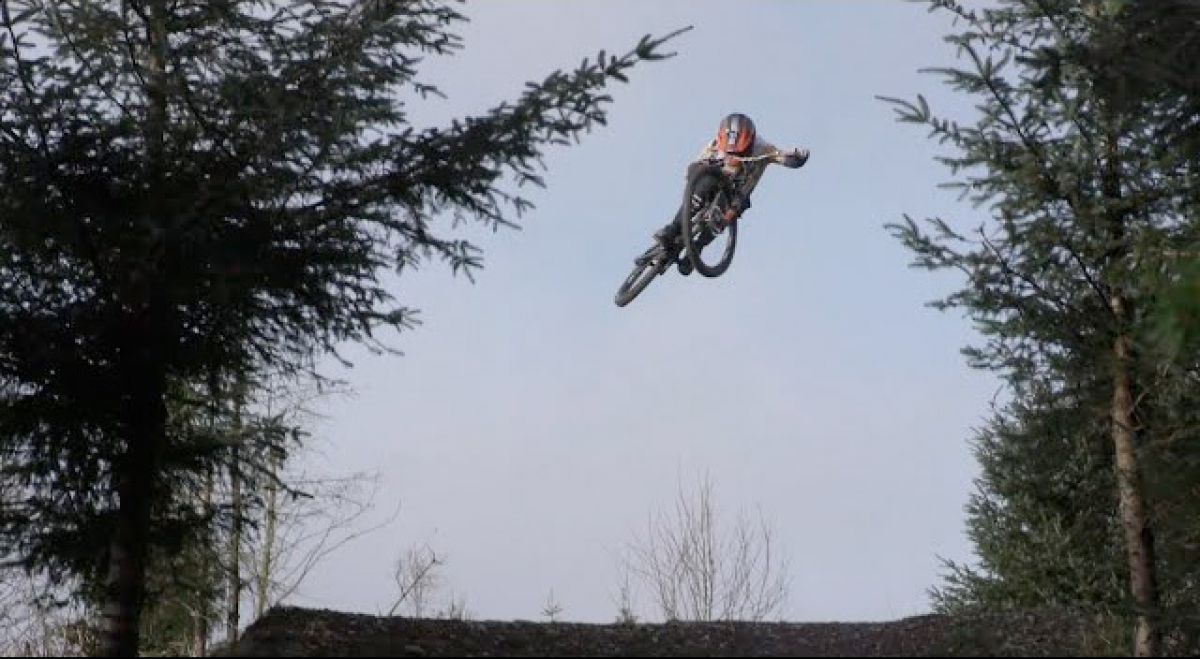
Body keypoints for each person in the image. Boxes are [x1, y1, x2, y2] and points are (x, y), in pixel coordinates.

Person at [655, 113, 809, 274]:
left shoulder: (764, 148)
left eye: (741, 154)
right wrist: (700, 175)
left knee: (729, 212)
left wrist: (797, 158)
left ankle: (697, 248)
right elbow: (692, 171)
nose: (735, 157)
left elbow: (785, 158)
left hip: (738, 189)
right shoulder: (715, 143)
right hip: (714, 174)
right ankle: (673, 229)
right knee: (703, 185)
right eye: (731, 153)